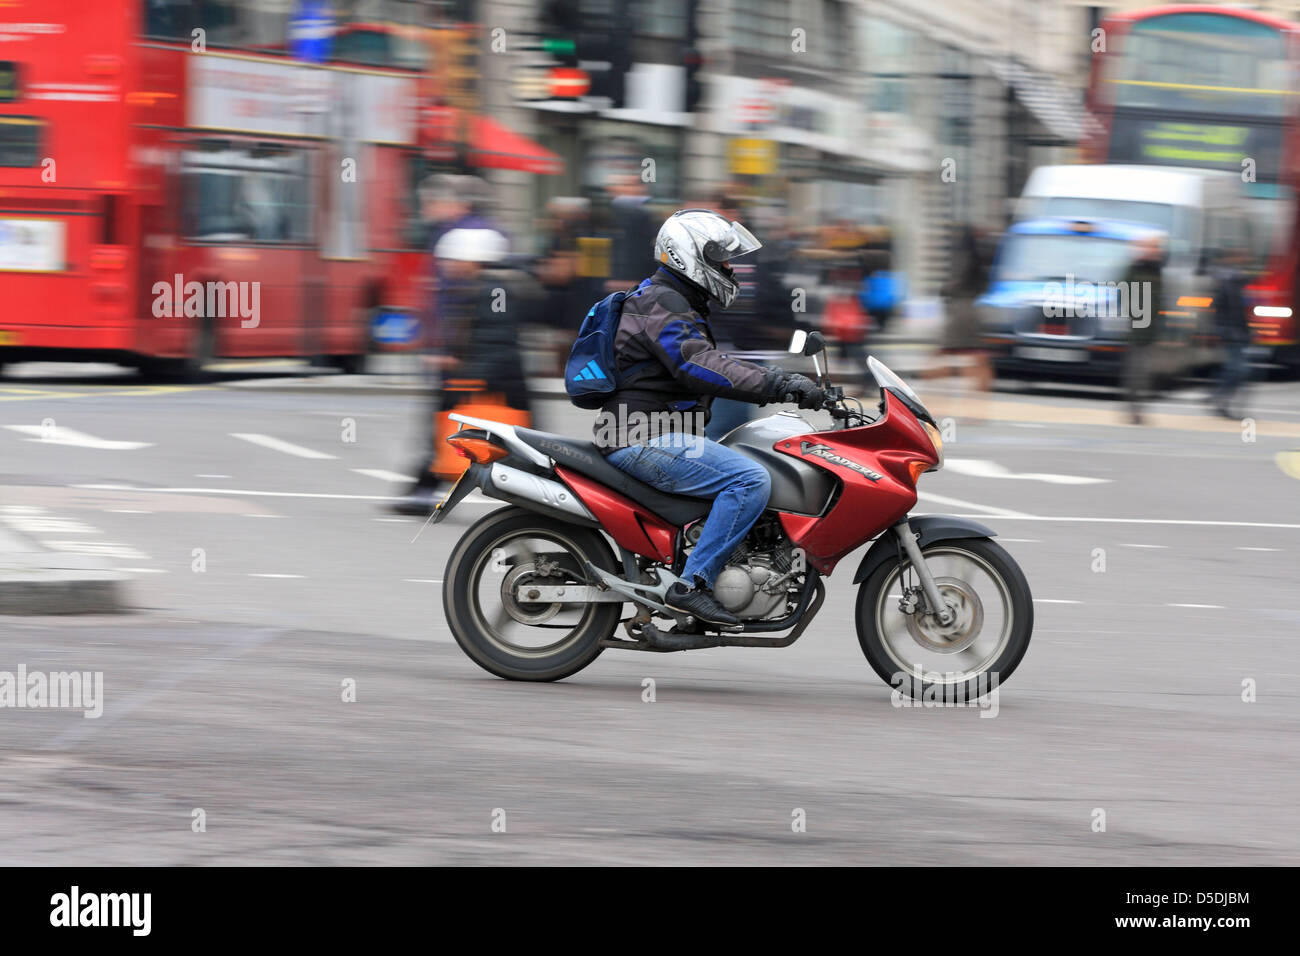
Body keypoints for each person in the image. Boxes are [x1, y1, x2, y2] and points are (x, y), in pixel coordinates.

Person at [597, 209, 825, 627]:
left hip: (652, 432)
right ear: (687, 254)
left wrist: (784, 383)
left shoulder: (671, 299)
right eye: (720, 259)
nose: (728, 268)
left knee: (746, 458)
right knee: (750, 479)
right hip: (641, 435)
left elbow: (706, 361)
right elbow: (697, 364)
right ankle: (693, 586)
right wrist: (778, 384)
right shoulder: (661, 301)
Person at [391, 176, 501, 515]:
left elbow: (452, 302)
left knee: (449, 420)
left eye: (432, 203)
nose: (427, 211)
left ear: (456, 203)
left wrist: (441, 348)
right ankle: (426, 484)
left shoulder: (462, 238)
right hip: (466, 352)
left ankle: (426, 486)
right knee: (455, 421)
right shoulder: (474, 233)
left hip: (460, 354)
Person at [1122, 233, 1167, 425]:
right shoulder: (1134, 269)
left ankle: (1139, 409)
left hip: (1152, 329)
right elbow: (1122, 293)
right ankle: (1134, 410)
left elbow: (1160, 299)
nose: (1155, 251)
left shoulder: (1156, 270)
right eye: (1151, 247)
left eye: (1156, 248)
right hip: (1137, 328)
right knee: (1136, 371)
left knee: (1145, 372)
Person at [1208, 246, 1252, 419]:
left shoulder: (1239, 281)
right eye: (1242, 258)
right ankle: (1219, 398)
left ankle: (1218, 397)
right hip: (1230, 332)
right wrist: (1220, 330)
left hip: (1238, 332)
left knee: (1235, 369)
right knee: (1238, 369)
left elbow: (1242, 310)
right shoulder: (1227, 281)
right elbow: (1218, 308)